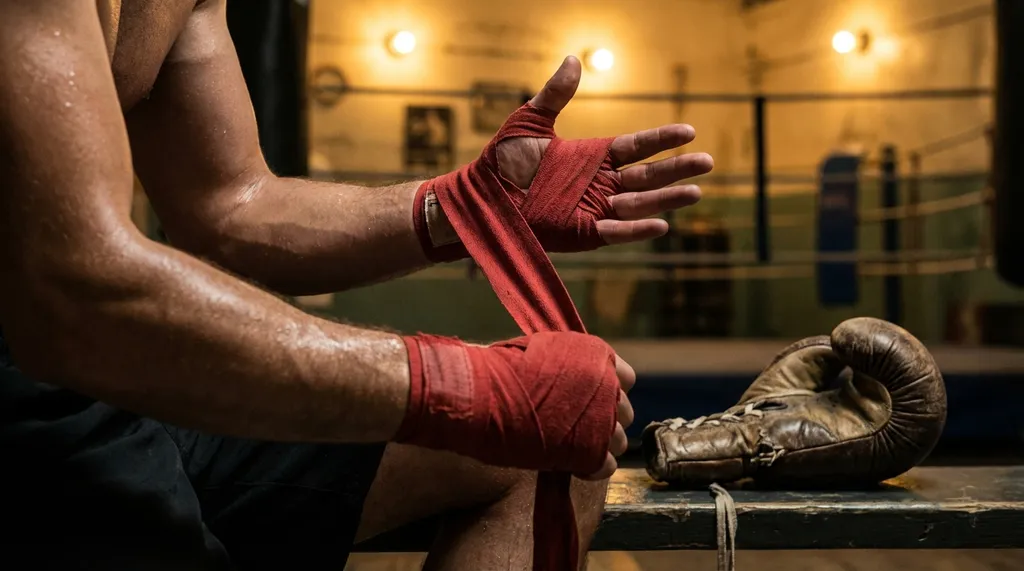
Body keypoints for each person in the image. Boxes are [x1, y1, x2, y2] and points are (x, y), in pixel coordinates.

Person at [0, 1, 713, 569]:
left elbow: (231, 203)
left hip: (103, 388)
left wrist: (462, 205)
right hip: (35, 381)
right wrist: (467, 387)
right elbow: (73, 289)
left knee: (539, 455)